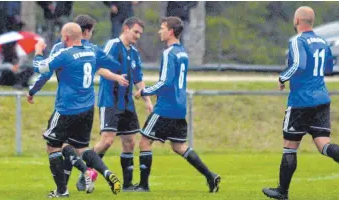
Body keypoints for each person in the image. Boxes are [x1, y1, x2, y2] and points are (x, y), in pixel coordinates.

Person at [262, 6, 339, 200]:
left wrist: (282, 77)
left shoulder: (297, 41)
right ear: (311, 22)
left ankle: (282, 192)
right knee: (323, 143)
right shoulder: (322, 41)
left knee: (290, 145)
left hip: (301, 101)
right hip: (321, 98)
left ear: (296, 21)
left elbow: (298, 64)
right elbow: (328, 66)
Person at [30, 22, 127, 198]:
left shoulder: (65, 54)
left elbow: (39, 67)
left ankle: (62, 191)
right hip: (87, 108)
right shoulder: (93, 51)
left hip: (67, 108)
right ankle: (106, 173)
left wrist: (38, 51)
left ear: (66, 38)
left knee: (53, 147)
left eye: (62, 36)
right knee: (81, 148)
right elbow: (112, 63)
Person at [133, 16, 221, 193]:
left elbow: (165, 82)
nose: (160, 31)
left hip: (166, 107)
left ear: (171, 31)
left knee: (144, 141)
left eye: (162, 28)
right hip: (180, 107)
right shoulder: (183, 53)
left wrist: (144, 91)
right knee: (179, 146)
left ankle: (143, 185)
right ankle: (210, 176)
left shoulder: (169, 53)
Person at [92, 17, 153, 191]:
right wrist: (116, 77)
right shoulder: (113, 45)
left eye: (140, 34)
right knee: (107, 141)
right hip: (110, 101)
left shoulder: (134, 53)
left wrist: (147, 100)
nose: (138, 36)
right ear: (125, 28)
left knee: (129, 142)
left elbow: (138, 78)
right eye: (135, 32)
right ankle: (86, 170)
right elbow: (99, 68)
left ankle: (127, 185)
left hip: (127, 104)